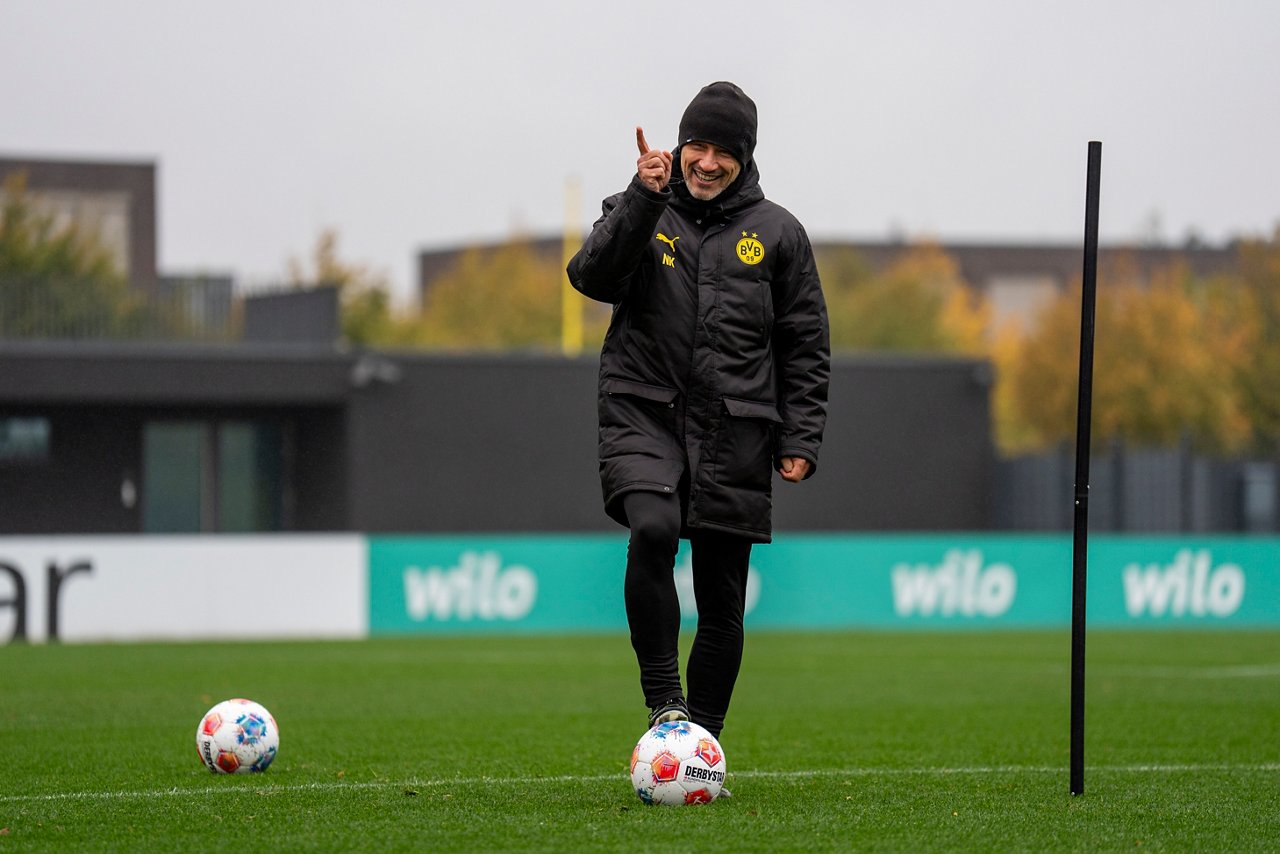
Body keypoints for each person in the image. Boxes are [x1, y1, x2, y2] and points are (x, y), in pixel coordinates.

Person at [567, 81, 829, 745]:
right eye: (697, 146)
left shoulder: (780, 235)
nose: (707, 162)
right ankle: (665, 706)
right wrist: (641, 199)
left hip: (735, 428)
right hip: (643, 412)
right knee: (652, 528)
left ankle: (699, 744)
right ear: (680, 146)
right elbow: (591, 278)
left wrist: (801, 435)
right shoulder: (640, 206)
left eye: (724, 152)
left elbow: (805, 343)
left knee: (722, 598)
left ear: (746, 159)